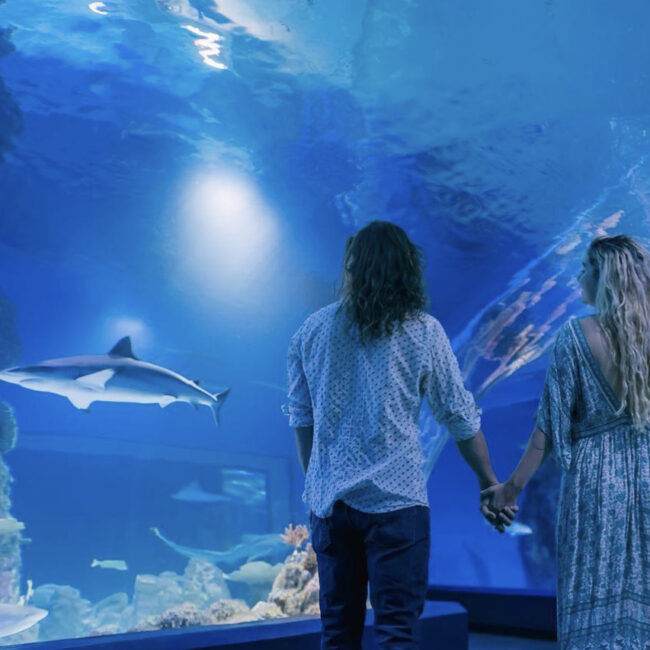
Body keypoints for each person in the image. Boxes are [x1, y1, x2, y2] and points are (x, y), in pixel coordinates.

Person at [283, 221, 512, 649]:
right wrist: (488, 481)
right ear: (406, 271)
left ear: (350, 268)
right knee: (397, 634)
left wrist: (319, 486)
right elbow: (459, 416)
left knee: (337, 635)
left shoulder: (310, 331)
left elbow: (301, 418)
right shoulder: (423, 332)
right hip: (397, 504)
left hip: (332, 508)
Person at [481, 234, 650, 649]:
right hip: (645, 474)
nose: (578, 276)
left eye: (586, 269)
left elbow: (547, 432)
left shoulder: (575, 337)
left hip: (594, 478)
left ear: (604, 277)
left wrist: (509, 490)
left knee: (591, 598)